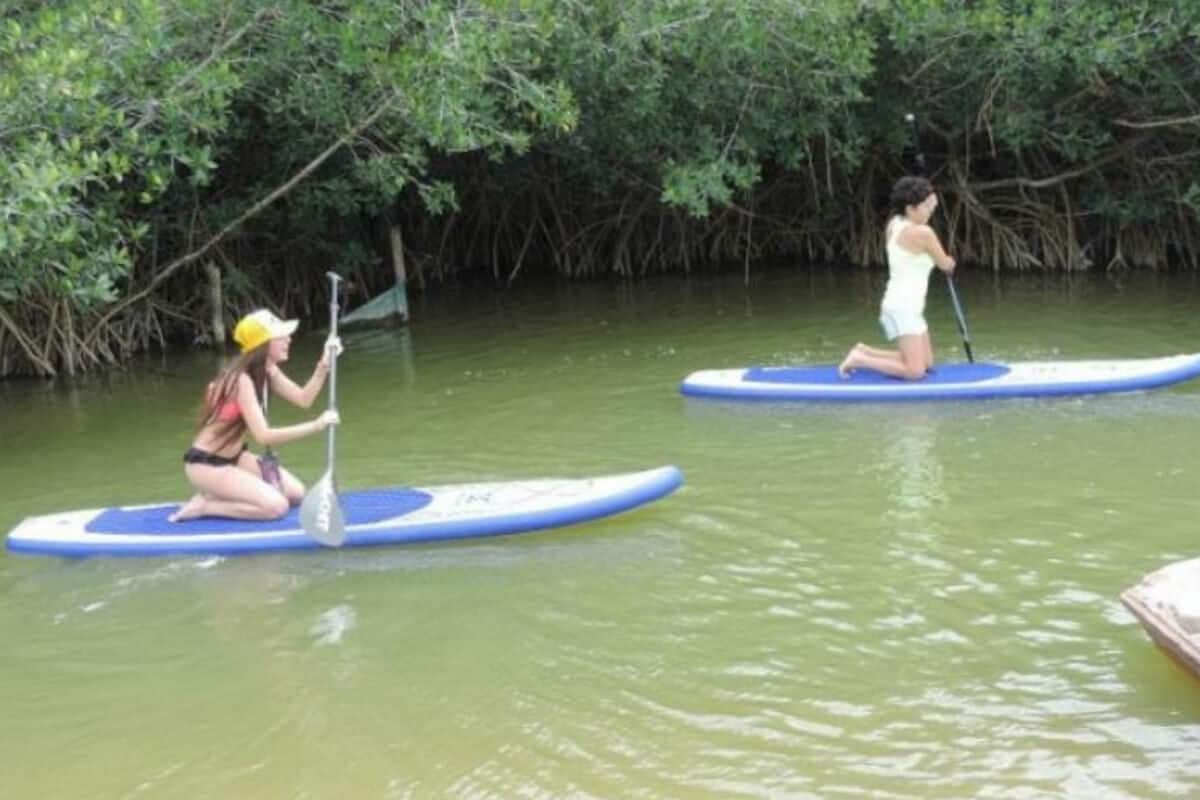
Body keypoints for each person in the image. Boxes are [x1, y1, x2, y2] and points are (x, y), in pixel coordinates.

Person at [170, 309, 341, 522]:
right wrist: (316, 425)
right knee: (277, 507)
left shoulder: (267, 370)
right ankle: (206, 505)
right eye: (281, 336)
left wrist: (324, 364)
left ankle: (218, 492)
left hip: (235, 458)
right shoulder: (240, 381)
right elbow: (264, 436)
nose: (288, 339)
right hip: (207, 464)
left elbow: (303, 399)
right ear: (264, 344)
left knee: (296, 494)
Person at [838, 176, 957, 380]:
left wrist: (929, 198)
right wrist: (950, 262)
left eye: (932, 205)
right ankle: (859, 359)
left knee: (927, 362)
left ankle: (865, 351)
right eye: (927, 206)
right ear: (910, 209)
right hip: (902, 307)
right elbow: (944, 264)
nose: (931, 210)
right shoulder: (924, 233)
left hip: (908, 306)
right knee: (915, 371)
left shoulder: (894, 224)